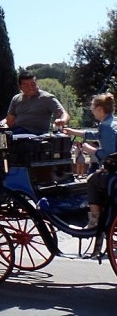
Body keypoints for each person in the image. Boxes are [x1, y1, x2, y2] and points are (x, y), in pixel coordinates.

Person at [63, 93, 117, 237]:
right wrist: (72, 131)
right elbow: (94, 134)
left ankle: (95, 219)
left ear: (99, 109)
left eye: (93, 108)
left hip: (114, 171)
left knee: (92, 180)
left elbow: (109, 154)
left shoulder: (106, 126)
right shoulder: (112, 122)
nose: (92, 111)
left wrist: (90, 150)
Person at [0, 73, 69, 135]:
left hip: (37, 135)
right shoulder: (16, 99)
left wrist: (62, 120)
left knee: (16, 137)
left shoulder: (47, 98)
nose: (31, 88)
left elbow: (63, 114)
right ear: (20, 87)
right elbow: (9, 120)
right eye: (26, 86)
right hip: (17, 132)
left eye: (33, 84)